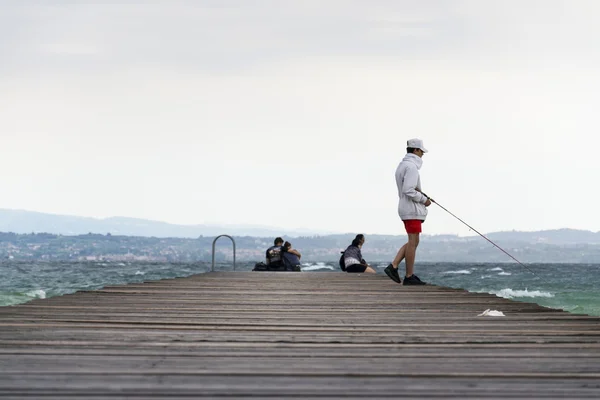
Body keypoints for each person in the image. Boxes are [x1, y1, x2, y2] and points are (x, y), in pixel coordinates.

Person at [384, 138, 432, 285]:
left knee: (414, 241)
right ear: (416, 150)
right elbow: (408, 190)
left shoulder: (403, 165)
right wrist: (425, 200)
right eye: (421, 151)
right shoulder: (411, 167)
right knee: (413, 242)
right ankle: (408, 275)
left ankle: (394, 267)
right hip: (411, 210)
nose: (423, 154)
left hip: (407, 208)